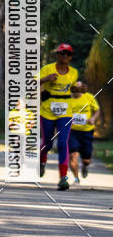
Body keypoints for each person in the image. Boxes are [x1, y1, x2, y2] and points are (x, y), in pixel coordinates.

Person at [39, 43, 78, 190]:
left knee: (63, 143)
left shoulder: (73, 72)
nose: (65, 56)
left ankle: (63, 178)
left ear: (70, 57)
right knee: (47, 143)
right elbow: (30, 83)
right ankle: (42, 161)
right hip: (48, 111)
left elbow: (72, 89)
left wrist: (80, 89)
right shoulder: (47, 69)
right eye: (62, 53)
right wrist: (45, 79)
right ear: (57, 55)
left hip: (66, 112)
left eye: (68, 54)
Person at [69, 81, 100, 183]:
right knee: (73, 155)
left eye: (79, 87)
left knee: (86, 159)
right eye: (75, 87)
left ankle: (85, 166)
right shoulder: (67, 99)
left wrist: (93, 118)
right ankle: (76, 178)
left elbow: (97, 110)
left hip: (87, 131)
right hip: (72, 132)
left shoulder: (89, 97)